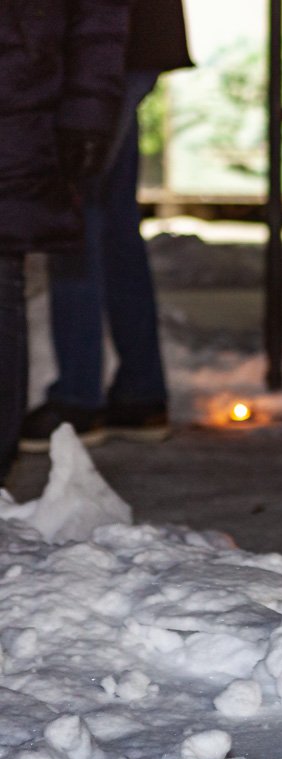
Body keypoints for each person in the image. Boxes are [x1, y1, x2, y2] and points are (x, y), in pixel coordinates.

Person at [19, 0, 192, 452]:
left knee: (77, 217)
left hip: (102, 49)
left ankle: (79, 399)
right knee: (111, 223)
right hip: (125, 44)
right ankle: (138, 393)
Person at [1, 0, 131, 484]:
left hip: (20, 98)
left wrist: (88, 108)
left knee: (3, 272)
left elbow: (99, 16)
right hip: (26, 81)